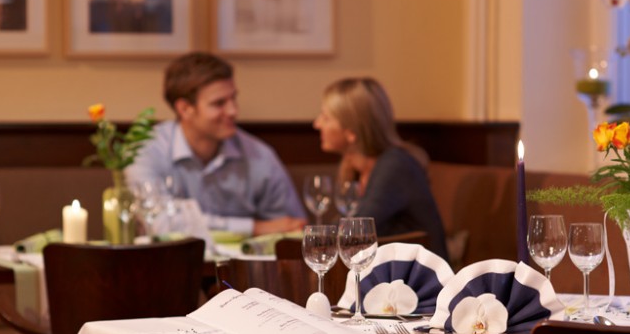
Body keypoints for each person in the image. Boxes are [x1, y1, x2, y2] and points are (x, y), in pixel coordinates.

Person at [126, 52, 306, 236]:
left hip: (244, 256)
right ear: (185, 109)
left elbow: (291, 227)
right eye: (219, 103)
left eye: (233, 98)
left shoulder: (260, 156)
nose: (233, 111)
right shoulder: (145, 151)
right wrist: (254, 228)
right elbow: (159, 223)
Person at [314, 77, 449, 260]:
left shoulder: (396, 165)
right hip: (387, 271)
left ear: (351, 132)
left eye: (326, 117)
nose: (317, 124)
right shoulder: (355, 168)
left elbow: (355, 230)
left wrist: (308, 235)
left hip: (420, 274)